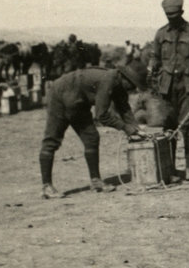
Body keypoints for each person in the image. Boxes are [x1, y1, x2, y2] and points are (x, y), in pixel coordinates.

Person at [38, 61, 148, 199]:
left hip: (79, 102)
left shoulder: (119, 84)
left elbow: (124, 109)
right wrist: (126, 129)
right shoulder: (108, 80)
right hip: (60, 96)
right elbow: (102, 116)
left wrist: (136, 130)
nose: (132, 89)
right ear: (124, 77)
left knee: (92, 138)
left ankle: (96, 181)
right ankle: (46, 186)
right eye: (132, 85)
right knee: (52, 140)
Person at [149, 0, 189, 180]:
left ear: (181, 12)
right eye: (168, 15)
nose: (171, 18)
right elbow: (155, 56)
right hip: (167, 86)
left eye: (174, 15)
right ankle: (170, 169)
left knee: (186, 125)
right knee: (169, 127)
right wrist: (152, 66)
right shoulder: (161, 34)